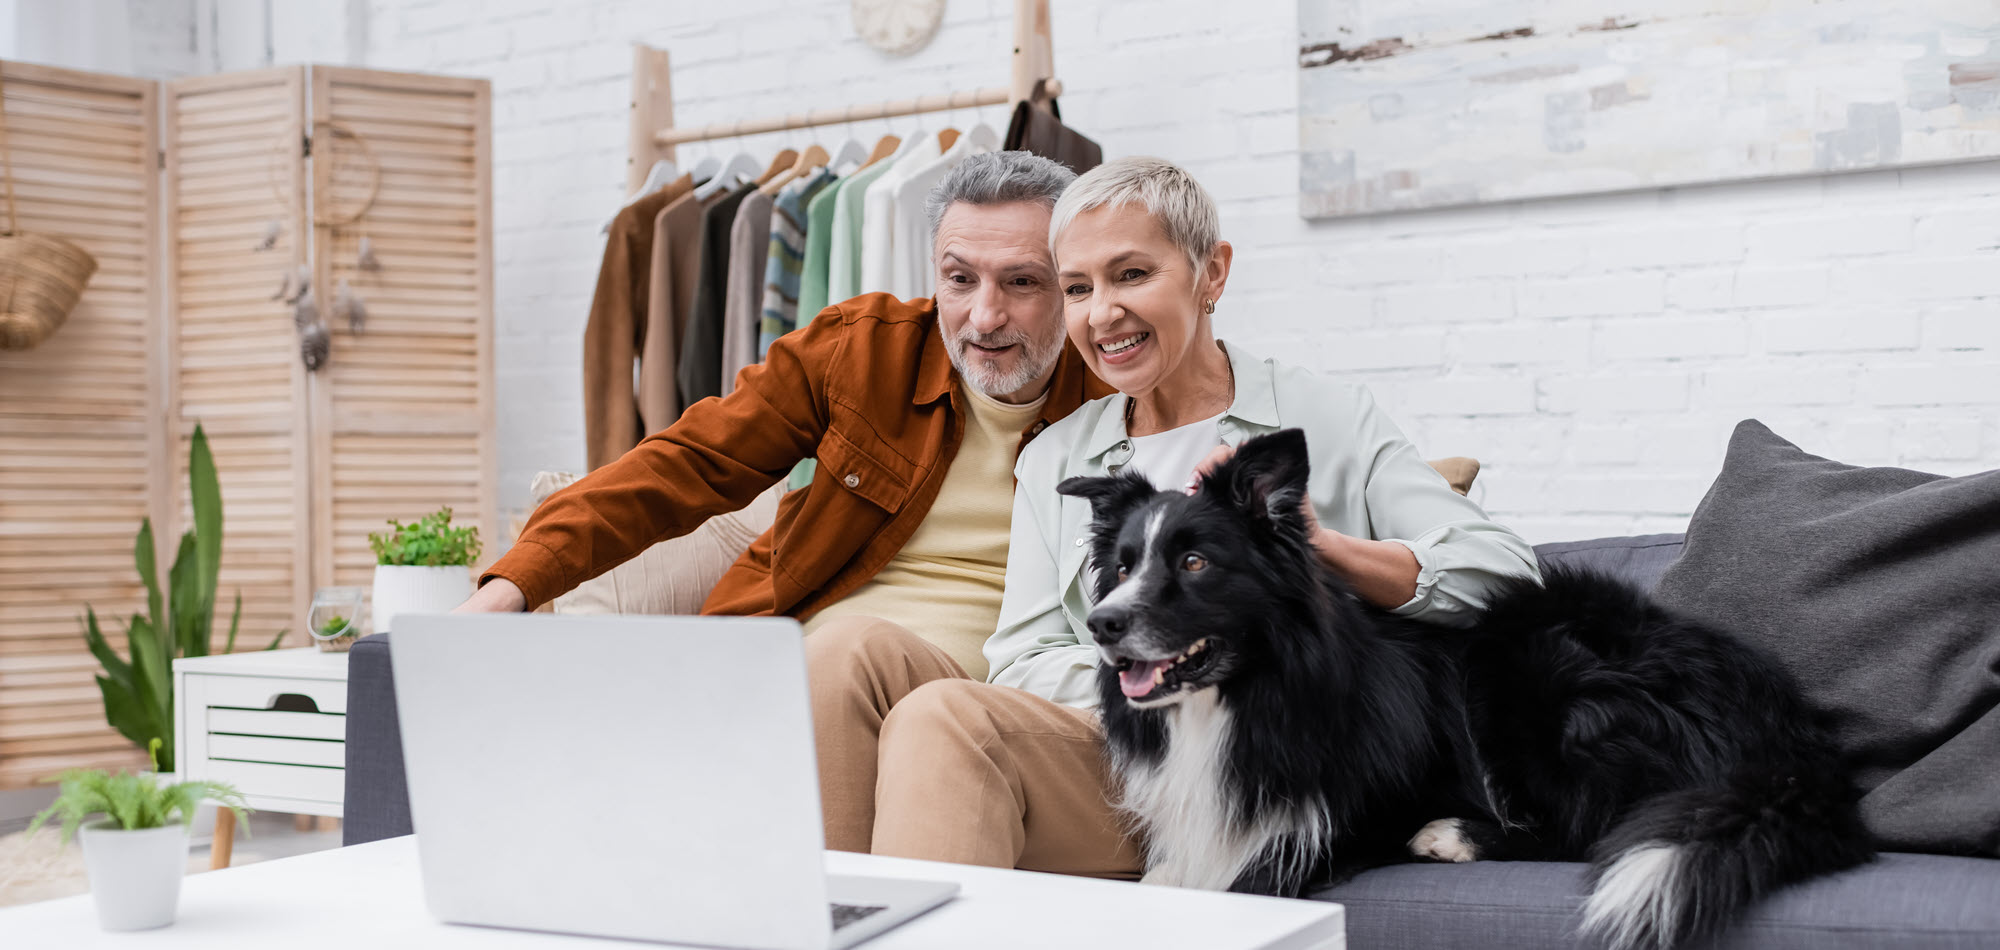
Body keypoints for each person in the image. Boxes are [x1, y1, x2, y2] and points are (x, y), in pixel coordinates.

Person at [862, 156, 1543, 877]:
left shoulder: (1325, 417)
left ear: (1210, 274)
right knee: (852, 656)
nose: (1102, 314)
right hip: (1119, 763)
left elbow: (1505, 574)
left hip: (1271, 768)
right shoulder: (1058, 457)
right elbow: (1021, 661)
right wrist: (1162, 663)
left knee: (943, 715)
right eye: (1077, 288)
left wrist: (1324, 549)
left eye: (1131, 275)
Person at [454, 151, 1117, 863]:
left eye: (1022, 283)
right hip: (800, 673)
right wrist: (515, 583)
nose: (985, 315)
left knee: (849, 651)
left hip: (975, 696)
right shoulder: (865, 351)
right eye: (960, 279)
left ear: (1072, 286)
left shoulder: (1119, 395)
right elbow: (687, 460)